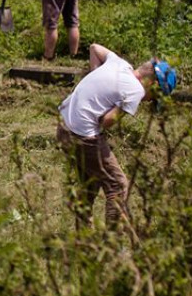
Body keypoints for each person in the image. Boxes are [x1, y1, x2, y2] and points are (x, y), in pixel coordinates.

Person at [56, 43, 177, 230]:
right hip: (83, 135)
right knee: (117, 185)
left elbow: (95, 48)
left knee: (90, 181)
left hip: (64, 126)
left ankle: (83, 238)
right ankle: (112, 244)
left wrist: (94, 79)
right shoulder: (136, 91)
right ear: (152, 84)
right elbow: (106, 121)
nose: (149, 101)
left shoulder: (119, 64)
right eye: (153, 97)